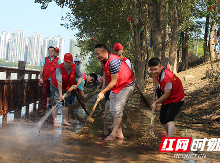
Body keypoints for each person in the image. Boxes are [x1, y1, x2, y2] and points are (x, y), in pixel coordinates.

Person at [94, 44, 135, 141]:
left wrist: (103, 92)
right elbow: (107, 76)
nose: (97, 56)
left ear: (105, 51)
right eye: (95, 54)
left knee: (117, 109)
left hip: (126, 85)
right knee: (113, 109)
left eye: (98, 54)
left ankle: (112, 134)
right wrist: (104, 85)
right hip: (116, 86)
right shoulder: (102, 61)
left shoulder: (114, 61)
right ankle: (119, 133)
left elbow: (113, 81)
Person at [148, 58, 185, 137]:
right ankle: (169, 135)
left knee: (169, 117)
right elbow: (153, 75)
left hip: (177, 97)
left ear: (160, 67)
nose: (153, 71)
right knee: (162, 119)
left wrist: (156, 102)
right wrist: (154, 85)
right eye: (151, 69)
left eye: (155, 69)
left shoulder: (167, 77)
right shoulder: (156, 72)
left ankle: (170, 140)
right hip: (168, 97)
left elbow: (167, 94)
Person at [50, 53, 82, 127]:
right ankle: (55, 121)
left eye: (69, 62)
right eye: (66, 62)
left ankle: (64, 120)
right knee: (56, 102)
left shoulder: (75, 67)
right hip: (56, 85)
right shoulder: (59, 68)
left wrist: (76, 85)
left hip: (67, 86)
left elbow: (80, 76)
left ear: (72, 62)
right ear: (63, 61)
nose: (67, 64)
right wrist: (60, 94)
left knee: (66, 102)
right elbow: (59, 82)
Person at [40, 46, 61, 113]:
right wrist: (40, 78)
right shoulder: (45, 59)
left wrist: (59, 80)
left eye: (52, 51)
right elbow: (42, 68)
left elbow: (59, 70)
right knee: (44, 93)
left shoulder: (58, 60)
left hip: (54, 80)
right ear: (48, 52)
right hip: (46, 78)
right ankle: (43, 107)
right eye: (49, 51)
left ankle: (52, 108)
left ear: (54, 52)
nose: (50, 52)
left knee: (54, 94)